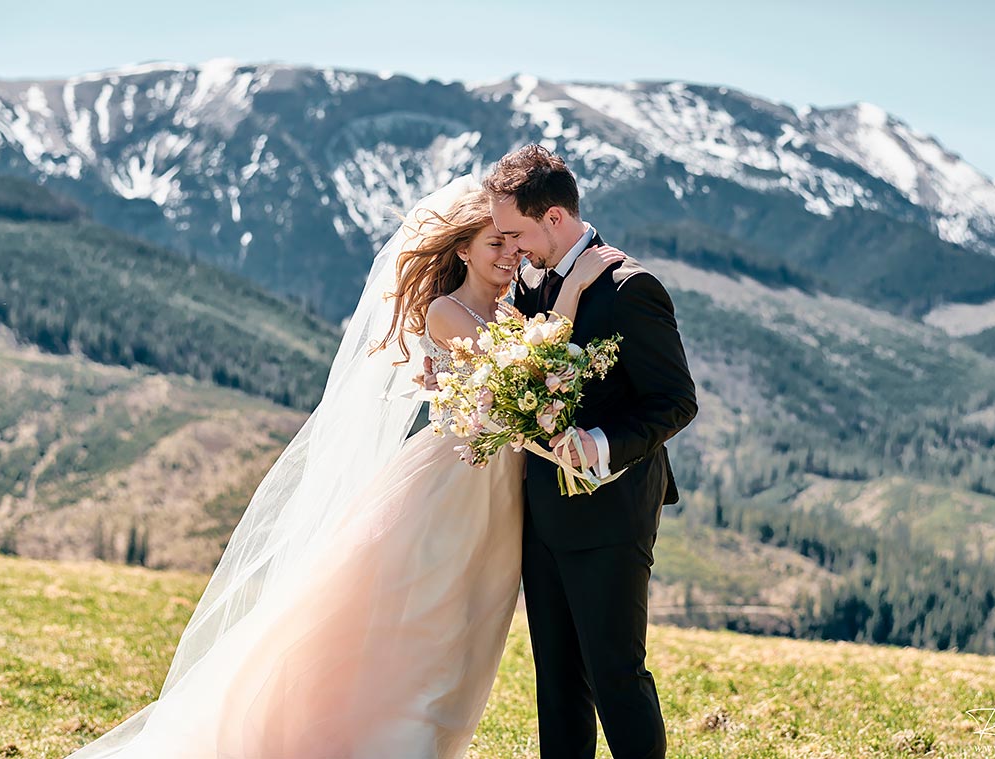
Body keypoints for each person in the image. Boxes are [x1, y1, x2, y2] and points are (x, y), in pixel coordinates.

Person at [64, 176, 623, 758]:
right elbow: (528, 375)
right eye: (494, 245)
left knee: (468, 635)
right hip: (450, 489)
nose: (511, 255)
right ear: (462, 249)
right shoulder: (446, 313)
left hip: (501, 497)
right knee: (421, 629)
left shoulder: (510, 312)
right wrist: (574, 290)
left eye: (513, 242)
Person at [485, 145, 698, 759]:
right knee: (556, 681)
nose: (511, 249)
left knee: (615, 678)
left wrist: (599, 443)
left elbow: (674, 402)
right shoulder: (530, 286)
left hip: (614, 509)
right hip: (543, 510)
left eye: (517, 233)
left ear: (554, 218)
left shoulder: (632, 288)